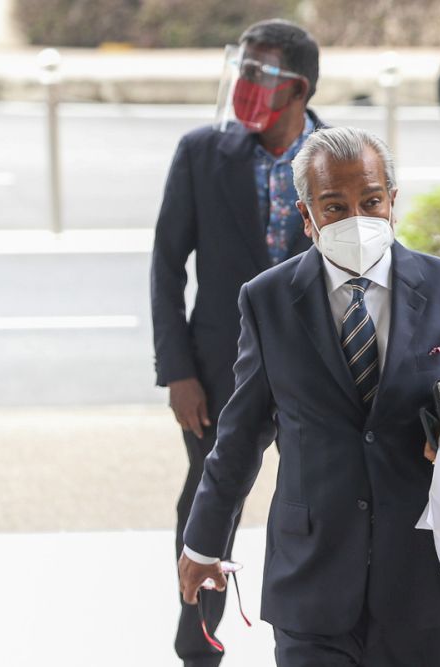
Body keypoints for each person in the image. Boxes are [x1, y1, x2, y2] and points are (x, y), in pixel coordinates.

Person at [177, 127, 440, 666]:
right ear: (307, 216)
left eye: (370, 201)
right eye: (334, 206)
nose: (357, 219)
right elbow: (242, 433)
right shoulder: (267, 300)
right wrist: (203, 542)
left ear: (392, 200)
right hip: (311, 580)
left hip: (425, 578)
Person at [150, 18, 323, 667]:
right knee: (207, 498)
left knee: (321, 501)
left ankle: (317, 635)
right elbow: (167, 266)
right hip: (217, 372)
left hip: (314, 374)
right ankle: (199, 643)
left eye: (258, 73)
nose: (242, 84)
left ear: (297, 88)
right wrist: (177, 371)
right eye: (241, 68)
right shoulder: (202, 152)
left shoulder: (337, 156)